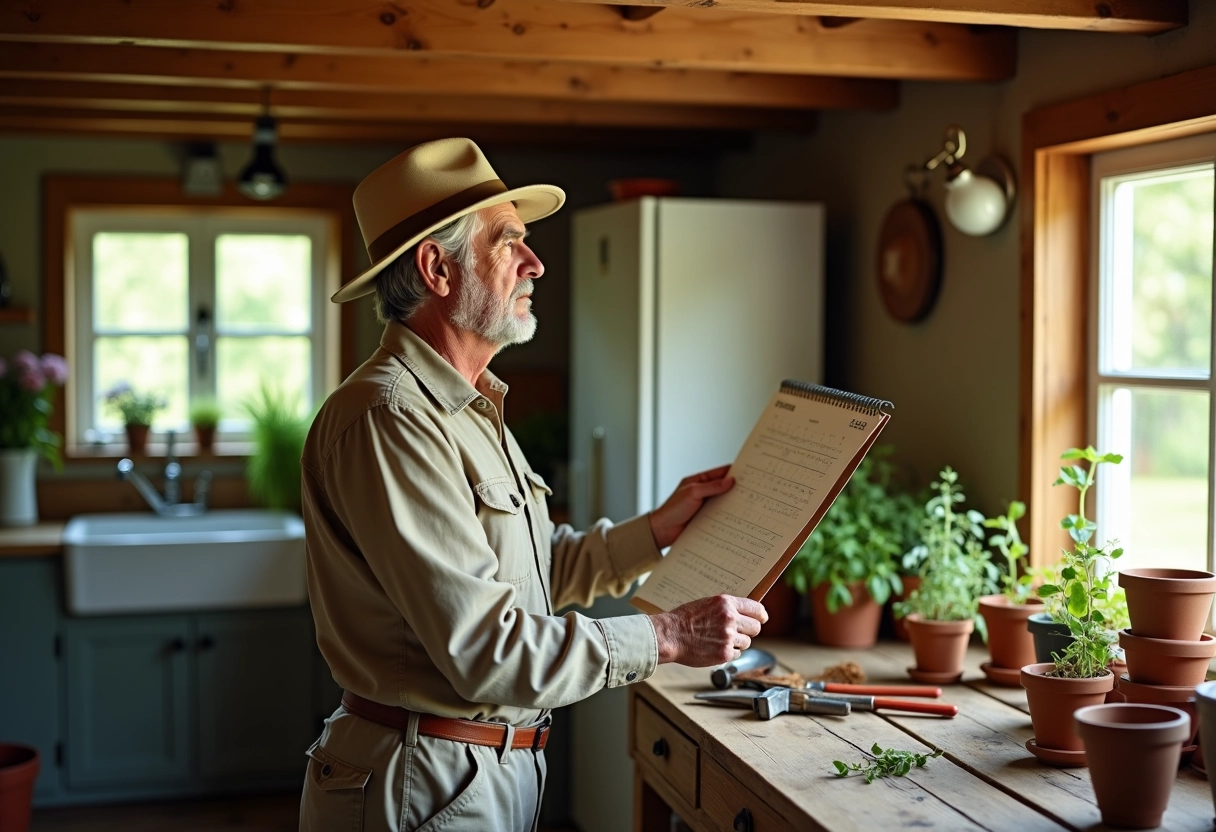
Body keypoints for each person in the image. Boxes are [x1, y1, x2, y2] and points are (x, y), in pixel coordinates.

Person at [299, 138, 768, 832]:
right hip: (421, 786)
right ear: (437, 269)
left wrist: (657, 531)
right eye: (508, 242)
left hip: (473, 774)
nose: (536, 263)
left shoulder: (467, 405)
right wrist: (666, 636)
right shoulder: (391, 417)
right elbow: (487, 650)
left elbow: (531, 575)